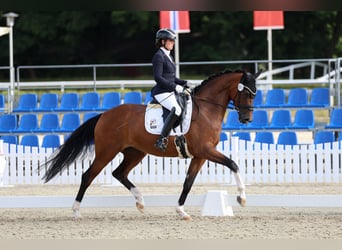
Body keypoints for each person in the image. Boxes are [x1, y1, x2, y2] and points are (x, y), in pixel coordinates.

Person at [151, 28, 189, 152]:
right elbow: (158, 77)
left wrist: (184, 82)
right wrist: (175, 87)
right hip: (161, 92)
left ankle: (178, 134)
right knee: (177, 110)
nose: (173, 43)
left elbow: (171, 77)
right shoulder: (159, 56)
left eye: (173, 41)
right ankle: (161, 139)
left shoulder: (169, 56)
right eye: (171, 41)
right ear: (162, 41)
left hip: (169, 90)